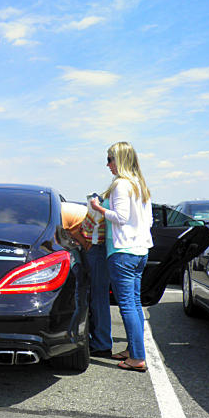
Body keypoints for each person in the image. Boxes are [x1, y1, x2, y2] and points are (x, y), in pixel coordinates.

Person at [90, 142, 153, 372]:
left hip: (122, 252)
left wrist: (98, 207)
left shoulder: (120, 184)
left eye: (110, 159)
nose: (108, 164)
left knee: (126, 306)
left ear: (121, 160)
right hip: (140, 251)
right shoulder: (140, 184)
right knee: (134, 303)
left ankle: (137, 358)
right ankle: (133, 349)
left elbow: (121, 217)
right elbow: (149, 221)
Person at [60, 202, 111, 359]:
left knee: (98, 296)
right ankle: (98, 340)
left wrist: (85, 245)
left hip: (95, 246)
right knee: (95, 295)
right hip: (95, 243)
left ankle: (102, 344)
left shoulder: (57, 212)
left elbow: (74, 232)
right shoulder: (61, 208)